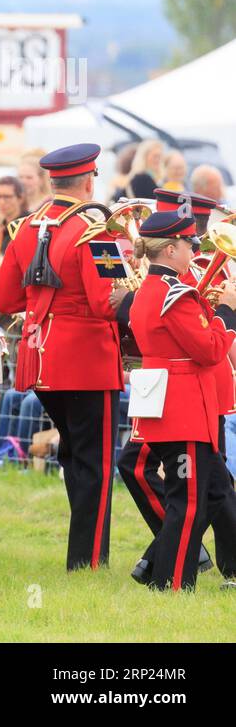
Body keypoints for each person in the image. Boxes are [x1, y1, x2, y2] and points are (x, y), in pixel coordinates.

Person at [0, 143, 125, 571]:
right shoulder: (94, 230)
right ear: (89, 181)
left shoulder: (24, 227)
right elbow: (108, 302)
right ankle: (87, 560)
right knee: (96, 462)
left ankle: (81, 554)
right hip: (87, 359)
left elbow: (6, 297)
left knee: (74, 455)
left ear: (54, 182)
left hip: (41, 357)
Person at [125, 210, 236, 590]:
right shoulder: (175, 295)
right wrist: (226, 311)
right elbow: (210, 349)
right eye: (189, 244)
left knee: (201, 493)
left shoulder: (151, 291)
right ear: (171, 249)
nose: (193, 249)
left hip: (171, 404)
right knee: (187, 503)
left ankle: (157, 568)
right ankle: (170, 582)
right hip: (186, 407)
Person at [0, 175, 26, 254]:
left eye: (7, 197)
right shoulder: (0, 230)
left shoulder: (28, 225)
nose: (2, 202)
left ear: (20, 198)